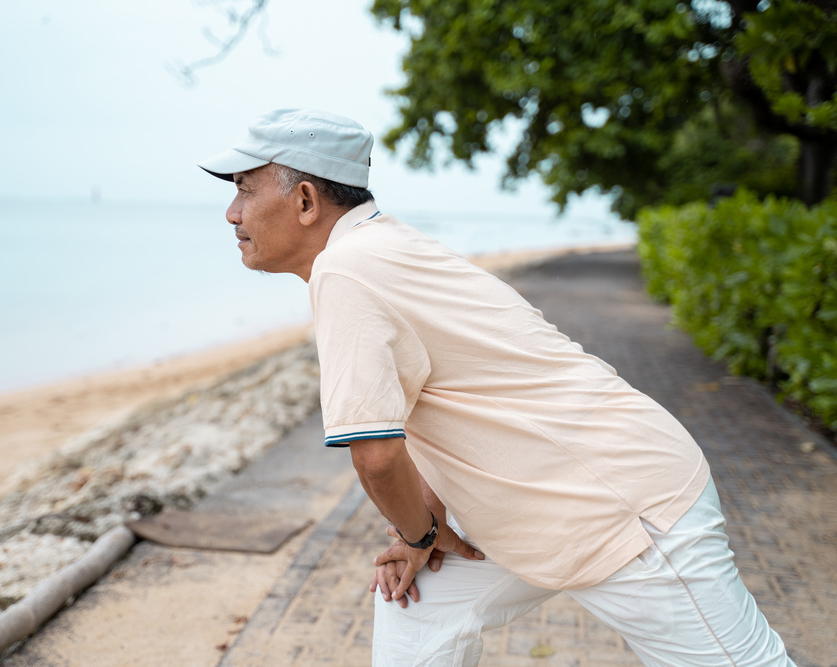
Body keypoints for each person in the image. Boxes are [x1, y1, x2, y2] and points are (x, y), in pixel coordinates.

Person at [198, 108, 795, 666]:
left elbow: (377, 457)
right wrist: (423, 531)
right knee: (416, 605)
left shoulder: (347, 268)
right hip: (532, 499)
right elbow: (441, 404)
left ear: (305, 200)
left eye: (245, 189)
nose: (231, 212)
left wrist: (423, 533)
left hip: (620, 502)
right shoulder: (379, 249)